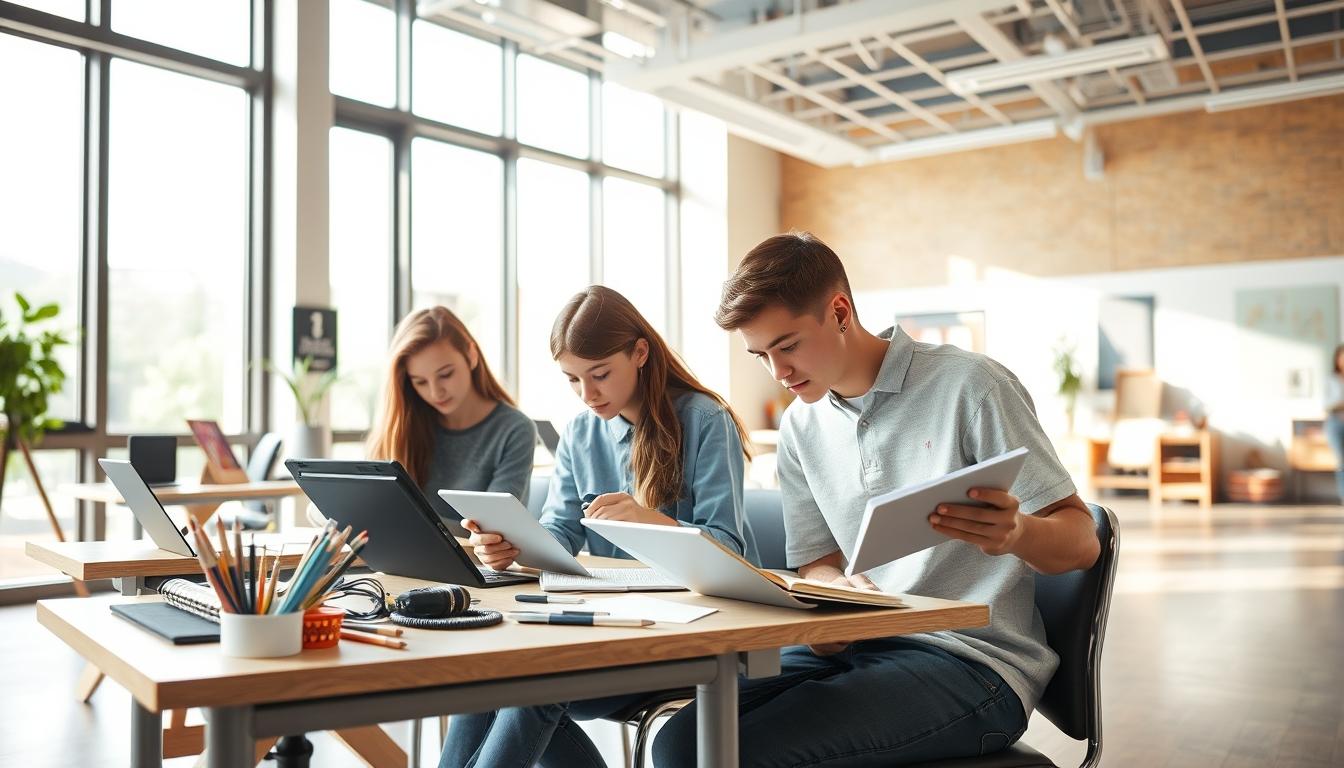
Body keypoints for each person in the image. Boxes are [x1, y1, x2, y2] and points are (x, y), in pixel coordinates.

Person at [654, 231, 1101, 767]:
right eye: (760, 356)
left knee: (745, 753)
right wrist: (832, 597)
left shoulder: (971, 386)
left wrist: (1019, 533)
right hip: (865, 643)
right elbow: (817, 564)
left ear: (839, 311)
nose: (779, 373)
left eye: (789, 345)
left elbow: (1082, 544)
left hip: (974, 663)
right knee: (680, 743)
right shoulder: (801, 425)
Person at [439, 285, 757, 768]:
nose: (588, 395)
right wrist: (511, 546)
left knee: (538, 684)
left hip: (693, 633)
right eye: (572, 380)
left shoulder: (704, 419)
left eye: (600, 375)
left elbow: (730, 550)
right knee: (488, 675)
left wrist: (653, 523)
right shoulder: (581, 432)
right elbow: (560, 534)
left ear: (640, 353)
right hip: (609, 624)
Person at [366, 306, 536, 508]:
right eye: (420, 382)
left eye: (446, 374)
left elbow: (497, 524)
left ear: (471, 355)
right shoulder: (407, 425)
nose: (435, 392)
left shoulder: (515, 429)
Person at [1325, 343, 1344, 502]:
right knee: (1341, 461)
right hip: (1335, 423)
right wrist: (1339, 403)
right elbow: (1325, 405)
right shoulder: (1331, 380)